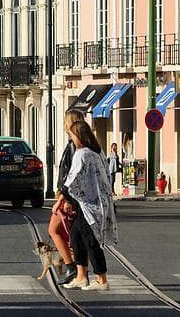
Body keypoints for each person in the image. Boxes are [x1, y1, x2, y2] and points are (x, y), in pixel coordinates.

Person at [59, 121, 116, 291]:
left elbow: (74, 178)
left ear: (79, 136)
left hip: (90, 204)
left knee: (91, 241)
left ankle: (101, 279)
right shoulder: (96, 152)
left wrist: (63, 197)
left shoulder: (82, 153)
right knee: (76, 236)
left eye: (72, 135)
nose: (71, 138)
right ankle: (81, 276)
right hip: (96, 201)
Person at [50, 110, 85, 285]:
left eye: (65, 121)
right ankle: (78, 271)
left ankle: (73, 268)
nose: (63, 124)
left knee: (55, 231)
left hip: (68, 197)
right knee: (72, 234)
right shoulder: (73, 144)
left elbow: (72, 175)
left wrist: (64, 199)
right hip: (66, 195)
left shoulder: (74, 146)